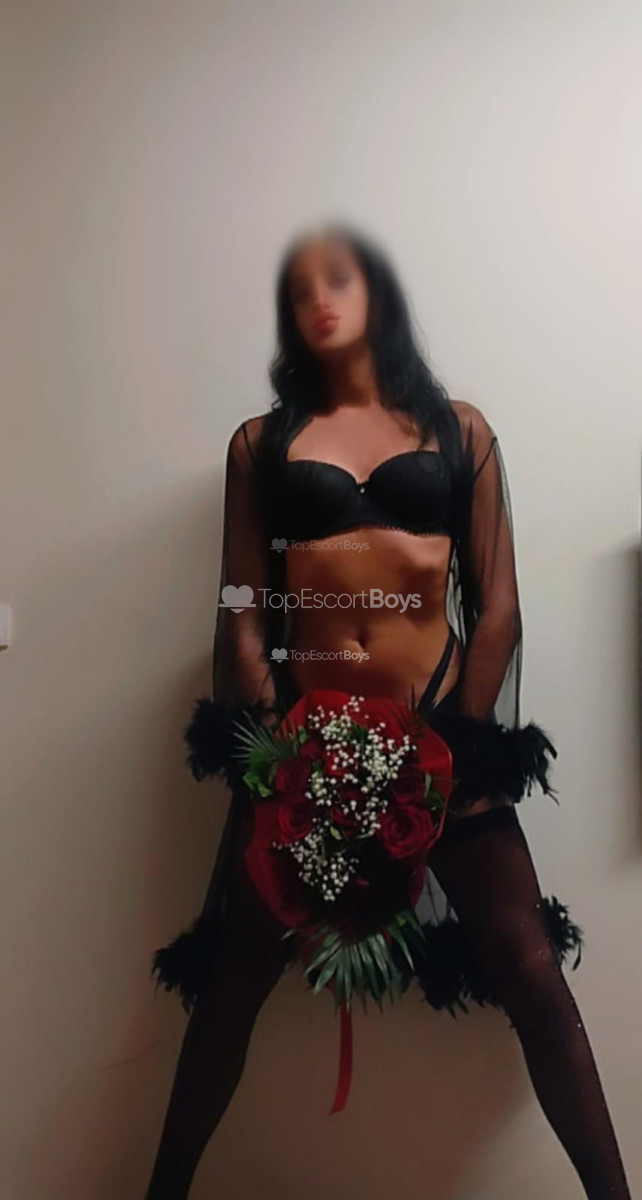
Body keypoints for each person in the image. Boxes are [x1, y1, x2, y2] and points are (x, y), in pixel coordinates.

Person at [144, 224, 631, 1199]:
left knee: (530, 967)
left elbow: (498, 607)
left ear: (381, 294)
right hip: (306, 749)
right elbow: (240, 604)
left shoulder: (461, 431)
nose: (318, 298)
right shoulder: (259, 445)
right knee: (236, 974)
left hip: (441, 740)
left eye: (339, 277)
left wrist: (452, 748)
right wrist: (280, 747)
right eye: (298, 288)